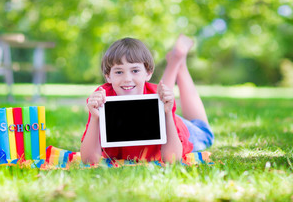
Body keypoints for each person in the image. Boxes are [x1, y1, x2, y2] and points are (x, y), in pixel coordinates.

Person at [80, 34, 214, 164]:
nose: (127, 79)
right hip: (155, 109)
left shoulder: (159, 99)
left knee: (204, 131)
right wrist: (95, 117)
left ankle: (179, 63)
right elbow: (89, 160)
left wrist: (167, 113)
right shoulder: (102, 98)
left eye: (135, 71)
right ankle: (176, 62)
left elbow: (172, 159)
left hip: (181, 131)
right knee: (160, 93)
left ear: (148, 73)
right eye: (119, 72)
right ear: (108, 76)